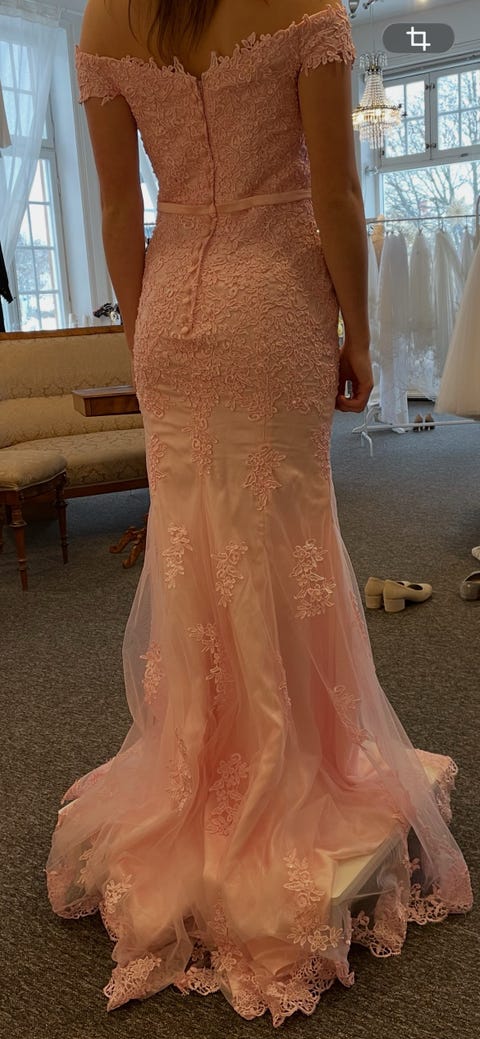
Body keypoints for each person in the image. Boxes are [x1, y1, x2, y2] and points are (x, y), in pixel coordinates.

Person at [45, 0, 473, 1028]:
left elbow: (118, 205)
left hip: (171, 311)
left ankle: (207, 763)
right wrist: (360, 332)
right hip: (275, 302)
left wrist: (146, 334)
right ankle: (292, 765)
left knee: (196, 544)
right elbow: (335, 190)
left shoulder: (105, 19)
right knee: (285, 535)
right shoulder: (302, 5)